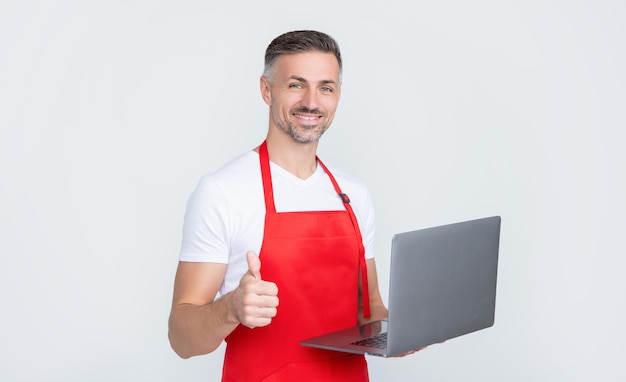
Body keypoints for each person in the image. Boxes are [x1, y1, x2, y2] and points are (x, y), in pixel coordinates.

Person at [168, 30, 388, 381]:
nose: (312, 102)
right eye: (296, 85)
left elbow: (370, 309)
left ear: (338, 95)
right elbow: (181, 338)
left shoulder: (354, 195)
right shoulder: (222, 191)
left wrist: (407, 329)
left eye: (326, 88)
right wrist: (230, 308)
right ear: (267, 90)